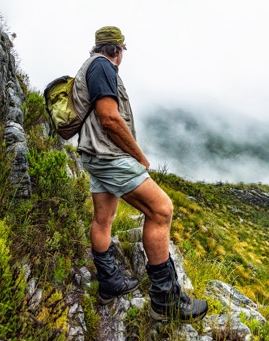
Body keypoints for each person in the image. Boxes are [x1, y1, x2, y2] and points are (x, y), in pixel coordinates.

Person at [76, 26, 207, 321]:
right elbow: (109, 117)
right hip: (110, 157)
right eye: (122, 51)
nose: (122, 56)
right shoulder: (103, 68)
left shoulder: (89, 67)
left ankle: (109, 284)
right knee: (161, 210)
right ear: (116, 50)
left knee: (103, 218)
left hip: (95, 155)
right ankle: (165, 302)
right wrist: (138, 155)